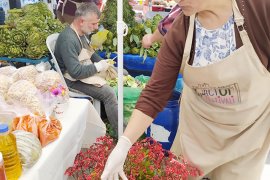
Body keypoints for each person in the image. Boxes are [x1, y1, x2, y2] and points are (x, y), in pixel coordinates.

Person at [101, 0, 270, 179]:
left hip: (247, 134)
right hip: (198, 131)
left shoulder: (259, 9)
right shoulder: (181, 28)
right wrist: (124, 144)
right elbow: (155, 93)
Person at [54, 2, 119, 133]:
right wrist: (98, 67)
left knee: (120, 72)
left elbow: (91, 53)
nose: (96, 27)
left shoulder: (82, 34)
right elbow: (76, 72)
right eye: (93, 24)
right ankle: (121, 132)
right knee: (108, 93)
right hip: (70, 80)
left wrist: (105, 64)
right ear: (81, 21)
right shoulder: (68, 39)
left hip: (82, 71)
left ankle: (109, 116)